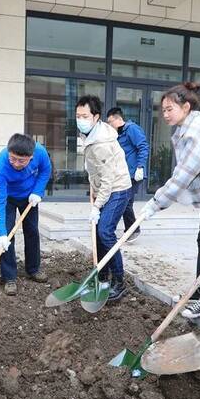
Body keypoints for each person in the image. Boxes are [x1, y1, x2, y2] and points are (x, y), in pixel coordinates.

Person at [138, 82, 200, 319]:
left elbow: (183, 174)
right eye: (162, 110)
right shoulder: (186, 127)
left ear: (185, 107)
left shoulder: (195, 132)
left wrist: (156, 203)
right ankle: (197, 291)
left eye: (169, 109)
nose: (165, 114)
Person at [77, 96, 132, 301]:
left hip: (118, 189)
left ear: (96, 117)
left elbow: (108, 179)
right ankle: (101, 277)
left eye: (84, 116)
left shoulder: (101, 143)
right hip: (104, 188)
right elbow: (96, 171)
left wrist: (97, 205)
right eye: (78, 115)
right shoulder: (89, 134)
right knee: (100, 233)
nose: (80, 119)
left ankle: (119, 281)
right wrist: (93, 189)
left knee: (105, 231)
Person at [0, 133, 52, 296]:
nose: (16, 164)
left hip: (30, 196)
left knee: (32, 231)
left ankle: (33, 269)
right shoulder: (1, 165)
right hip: (9, 198)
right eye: (13, 159)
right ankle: (9, 276)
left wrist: (38, 191)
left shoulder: (40, 152)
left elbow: (46, 171)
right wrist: (2, 234)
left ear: (31, 157)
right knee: (8, 237)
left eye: (21, 161)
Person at [106, 107, 149, 243]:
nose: (110, 125)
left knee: (126, 203)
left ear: (118, 119)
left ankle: (133, 230)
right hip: (124, 174)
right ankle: (131, 230)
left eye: (110, 121)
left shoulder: (131, 129)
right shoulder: (118, 134)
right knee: (125, 202)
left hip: (133, 173)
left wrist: (140, 167)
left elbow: (143, 146)